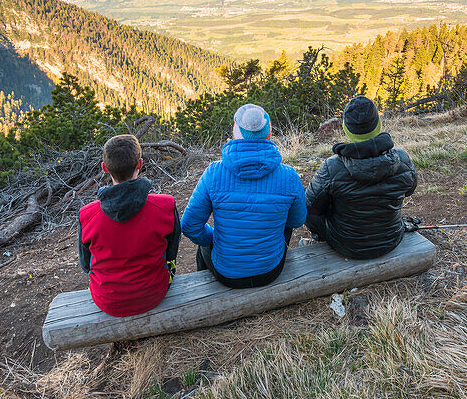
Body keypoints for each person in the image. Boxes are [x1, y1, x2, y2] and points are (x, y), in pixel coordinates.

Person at [180, 104, 306, 288]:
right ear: (269, 133)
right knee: (283, 217)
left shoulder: (214, 173)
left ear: (235, 132)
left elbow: (190, 225)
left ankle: (206, 288)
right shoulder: (289, 176)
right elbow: (296, 221)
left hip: (227, 274)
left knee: (203, 248)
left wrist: (213, 239)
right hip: (270, 271)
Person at [78, 134, 180, 316]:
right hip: (154, 294)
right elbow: (171, 254)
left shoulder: (87, 215)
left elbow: (86, 265)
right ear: (140, 164)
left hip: (107, 300)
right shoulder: (166, 206)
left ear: (105, 168)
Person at [306, 96, 417, 259]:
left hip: (346, 245)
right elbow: (409, 190)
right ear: (379, 124)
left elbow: (309, 210)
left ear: (345, 128)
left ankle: (321, 240)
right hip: (391, 240)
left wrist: (321, 234)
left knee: (315, 199)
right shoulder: (402, 160)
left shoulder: (332, 168)